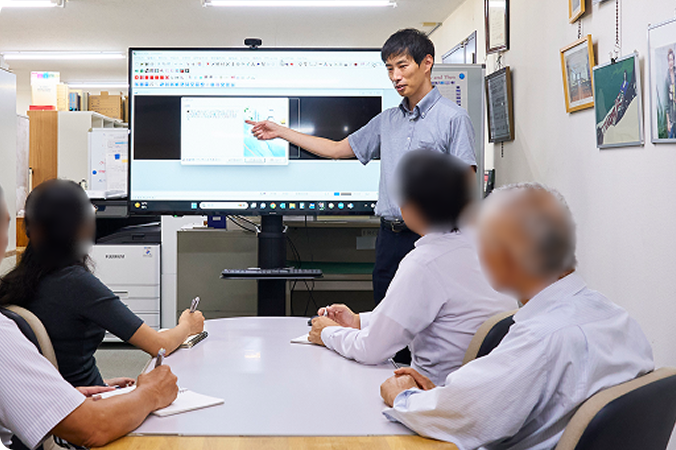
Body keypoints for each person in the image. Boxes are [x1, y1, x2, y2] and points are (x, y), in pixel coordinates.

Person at [379, 182, 654, 449]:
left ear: (505, 255)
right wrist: (446, 400)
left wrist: (403, 395)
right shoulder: (619, 319)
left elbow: (471, 419)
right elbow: (477, 406)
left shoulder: (541, 339)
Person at [248, 28, 477, 305]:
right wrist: (281, 131)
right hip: (389, 238)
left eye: (402, 66)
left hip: (432, 238)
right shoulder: (387, 120)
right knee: (385, 315)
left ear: (426, 63)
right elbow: (336, 149)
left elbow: (465, 186)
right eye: (389, 69)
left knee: (426, 317)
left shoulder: (453, 118)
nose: (395, 76)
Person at [308, 151, 516, 386]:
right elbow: (434, 315)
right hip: (482, 389)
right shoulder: (487, 247)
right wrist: (358, 321)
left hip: (433, 393)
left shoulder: (425, 263)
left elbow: (371, 350)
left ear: (409, 207)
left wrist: (327, 332)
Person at [0, 183, 179, 450]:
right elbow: (92, 430)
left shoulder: (15, 282)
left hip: (67, 408)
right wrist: (151, 392)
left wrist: (71, 393)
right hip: (74, 433)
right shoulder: (6, 333)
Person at [0, 179, 205, 388]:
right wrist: (187, 325)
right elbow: (159, 346)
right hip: (85, 402)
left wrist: (102, 383)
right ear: (83, 227)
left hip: (67, 393)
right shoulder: (76, 284)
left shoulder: (15, 282)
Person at [666, 48, 676, 139]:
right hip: (670, 119)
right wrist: (668, 122)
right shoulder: (666, 79)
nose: (671, 62)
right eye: (669, 60)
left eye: (672, 60)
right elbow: (666, 103)